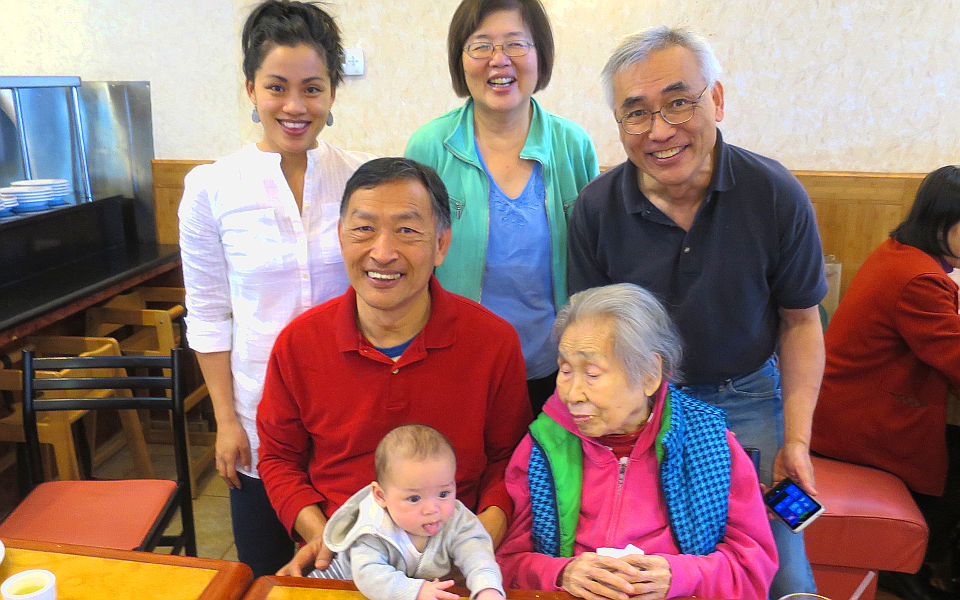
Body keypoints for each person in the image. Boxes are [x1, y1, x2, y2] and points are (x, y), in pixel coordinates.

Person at [566, 27, 826, 597]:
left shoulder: (774, 193)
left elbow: (802, 322)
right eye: (636, 113)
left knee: (781, 572)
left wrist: (797, 440)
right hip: (641, 410)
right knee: (651, 566)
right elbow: (589, 341)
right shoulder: (595, 208)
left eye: (679, 102)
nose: (660, 130)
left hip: (747, 397)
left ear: (717, 100)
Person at [257, 157, 532, 577]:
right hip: (343, 554)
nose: (382, 253)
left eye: (406, 230)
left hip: (456, 558)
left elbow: (509, 461)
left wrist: (478, 544)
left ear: (441, 244)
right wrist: (323, 538)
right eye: (364, 229)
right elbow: (279, 458)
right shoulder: (299, 343)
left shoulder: (493, 341)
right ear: (341, 237)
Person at [178, 0, 374, 577]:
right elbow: (208, 314)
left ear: (333, 91)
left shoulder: (363, 178)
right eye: (276, 87)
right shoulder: (211, 188)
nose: (294, 106)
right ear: (250, 88)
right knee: (266, 574)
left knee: (361, 572)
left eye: (312, 88)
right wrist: (226, 420)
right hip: (259, 416)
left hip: (352, 417)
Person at [495, 283, 778, 600]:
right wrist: (560, 573)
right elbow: (502, 563)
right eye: (565, 370)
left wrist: (680, 576)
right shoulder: (544, 446)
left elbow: (753, 569)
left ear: (649, 374)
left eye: (592, 373)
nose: (572, 395)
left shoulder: (708, 443)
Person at [405, 0, 599, 414]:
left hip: (561, 369)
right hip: (459, 366)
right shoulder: (429, 147)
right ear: (460, 59)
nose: (499, 60)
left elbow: (596, 260)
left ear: (540, 54)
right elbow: (414, 262)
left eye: (515, 44)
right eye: (481, 46)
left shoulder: (573, 145)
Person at [813, 166, 960, 600]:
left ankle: (922, 564)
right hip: (863, 424)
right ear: (942, 222)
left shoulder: (901, 253)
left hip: (847, 408)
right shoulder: (920, 278)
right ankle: (909, 567)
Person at [310, 424, 505, 600]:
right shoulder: (373, 529)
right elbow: (369, 576)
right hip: (345, 581)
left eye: (443, 493)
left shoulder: (457, 520)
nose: (432, 509)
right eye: (414, 499)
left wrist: (488, 589)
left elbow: (478, 556)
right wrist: (415, 590)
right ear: (381, 496)